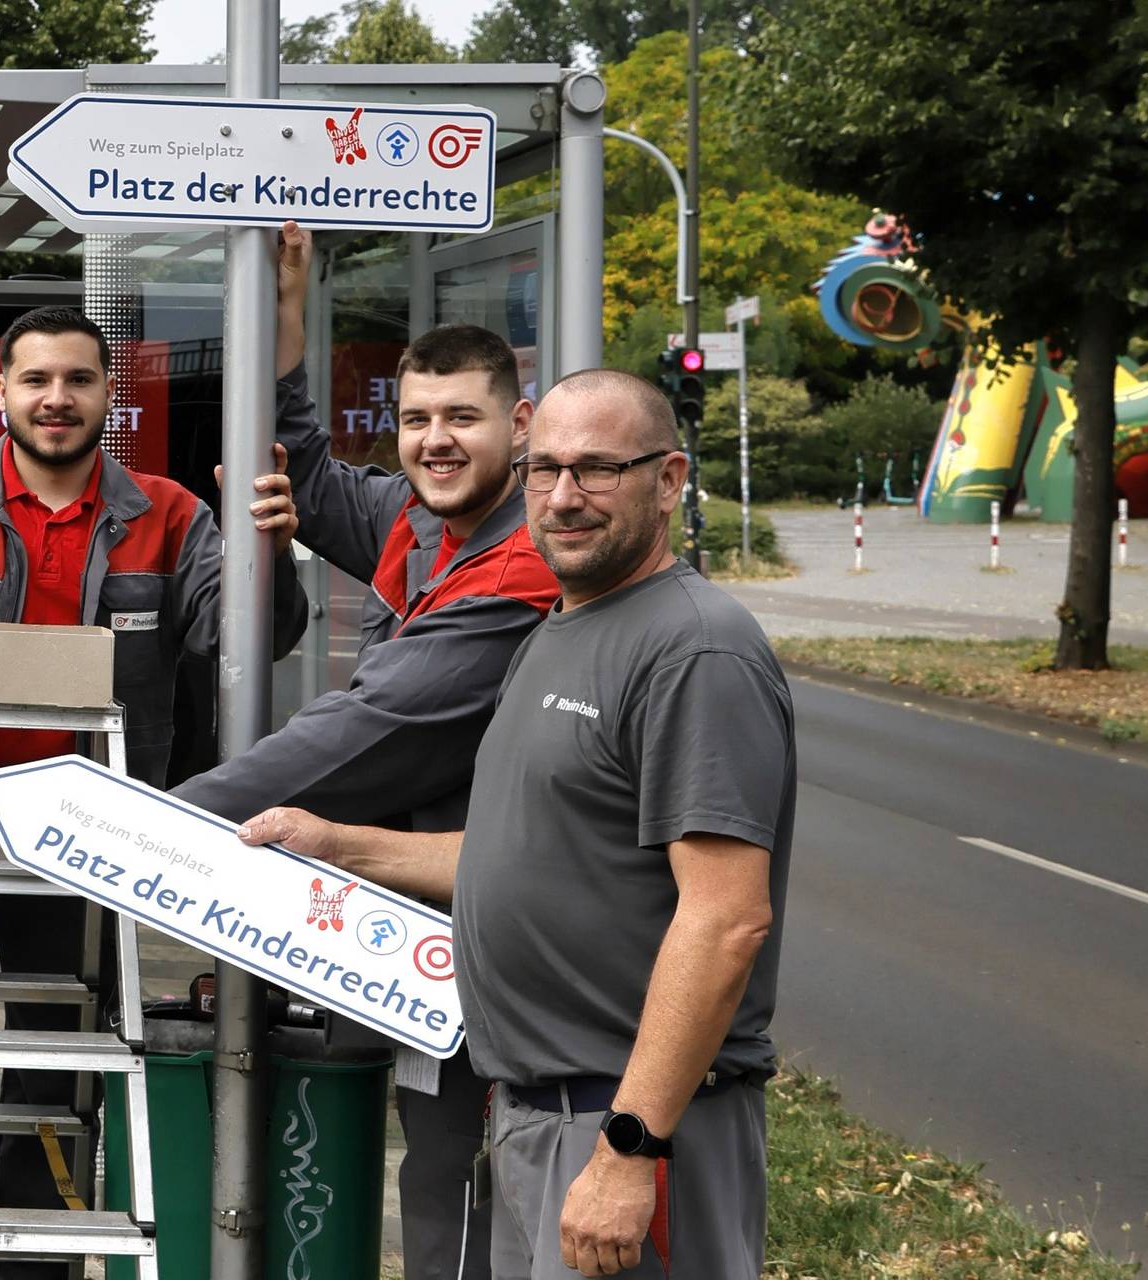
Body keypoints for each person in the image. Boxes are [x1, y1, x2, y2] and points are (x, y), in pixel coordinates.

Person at [238, 369, 796, 1279]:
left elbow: (727, 918)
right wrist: (339, 844)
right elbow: (519, 856)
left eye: (598, 470)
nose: (564, 498)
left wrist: (628, 1146)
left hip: (625, 1121)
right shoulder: (559, 631)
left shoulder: (695, 650)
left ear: (668, 480)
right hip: (537, 1112)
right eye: (545, 470)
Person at [0, 302, 305, 1271]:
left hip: (83, 839)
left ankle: (25, 1255)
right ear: (0, 390)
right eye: (35, 378)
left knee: (52, 1095)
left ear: (106, 393)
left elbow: (244, 639)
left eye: (77, 378)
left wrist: (273, 554)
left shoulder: (170, 515)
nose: (56, 397)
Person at [173, 223, 558, 1280]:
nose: (436, 439)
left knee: (472, 1183)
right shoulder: (418, 518)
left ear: (518, 424)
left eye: (463, 418)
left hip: (498, 934)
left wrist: (150, 826)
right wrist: (290, 314)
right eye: (417, 418)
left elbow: (354, 734)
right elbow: (301, 460)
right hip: (421, 927)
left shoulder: (520, 564)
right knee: (434, 1172)